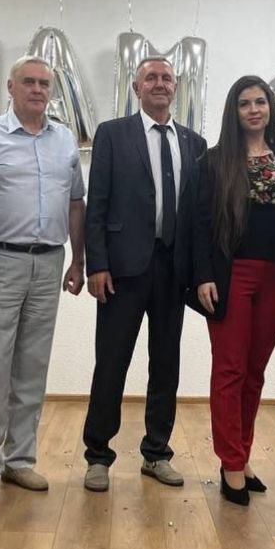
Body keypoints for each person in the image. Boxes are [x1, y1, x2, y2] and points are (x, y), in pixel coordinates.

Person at [81, 56, 206, 492]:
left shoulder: (194, 143)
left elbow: (200, 216)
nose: (159, 83)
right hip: (122, 269)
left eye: (166, 78)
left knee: (166, 364)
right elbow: (97, 204)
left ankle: (156, 453)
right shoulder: (113, 134)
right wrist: (96, 264)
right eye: (150, 77)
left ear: (175, 87)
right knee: (111, 363)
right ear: (136, 87)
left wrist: (200, 271)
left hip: (174, 270)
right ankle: (98, 456)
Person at [0, 56, 86, 501]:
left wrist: (78, 261)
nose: (37, 90)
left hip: (50, 261)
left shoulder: (64, 139)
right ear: (11, 87)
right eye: (29, 82)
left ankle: (20, 460)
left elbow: (75, 203)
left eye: (44, 84)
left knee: (33, 365)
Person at [190, 76, 275, 505]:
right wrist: (203, 275)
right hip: (232, 275)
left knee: (255, 372)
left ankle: (242, 456)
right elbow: (199, 225)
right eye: (245, 103)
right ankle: (230, 462)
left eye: (260, 102)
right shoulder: (214, 162)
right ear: (233, 112)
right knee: (230, 371)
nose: (254, 110)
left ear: (270, 108)